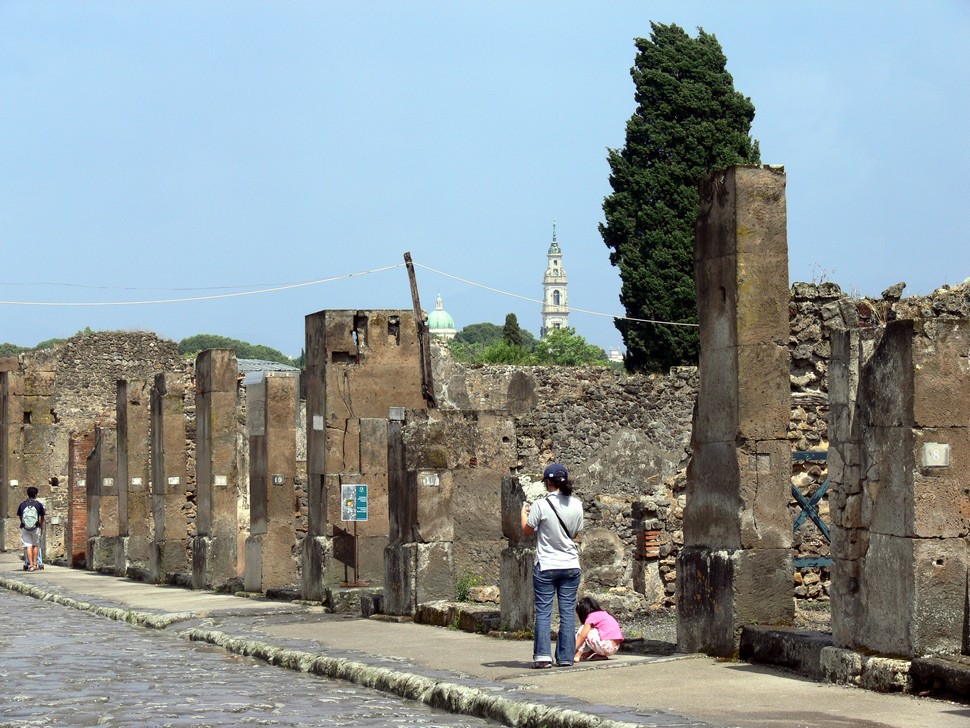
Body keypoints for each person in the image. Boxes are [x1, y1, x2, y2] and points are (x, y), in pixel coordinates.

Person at [521, 463, 584, 668]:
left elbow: (527, 531)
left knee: (544, 611)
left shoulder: (540, 505)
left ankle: (542, 657)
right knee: (567, 612)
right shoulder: (576, 504)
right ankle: (565, 657)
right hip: (570, 564)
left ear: (548, 483)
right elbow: (575, 533)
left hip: (547, 565)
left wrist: (524, 512)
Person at [574, 595, 624, 662]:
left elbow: (582, 636)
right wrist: (589, 653)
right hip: (614, 648)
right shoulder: (605, 614)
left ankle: (577, 654)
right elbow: (603, 639)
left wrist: (572, 650)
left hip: (605, 646)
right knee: (596, 632)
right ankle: (601, 655)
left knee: (582, 629)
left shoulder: (591, 616)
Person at [17, 487, 45, 572]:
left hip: (25, 528)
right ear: (36, 494)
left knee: (28, 545)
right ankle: (35, 564)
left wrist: (24, 523)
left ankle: (30, 564)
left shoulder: (22, 504)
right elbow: (42, 516)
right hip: (35, 527)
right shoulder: (38, 505)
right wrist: (41, 525)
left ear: (27, 494)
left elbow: (20, 516)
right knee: (35, 545)